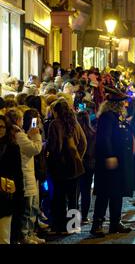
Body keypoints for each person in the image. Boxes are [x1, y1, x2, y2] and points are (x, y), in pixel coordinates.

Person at [90, 88, 134, 237]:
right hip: (109, 161)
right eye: (122, 103)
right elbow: (104, 138)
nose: (124, 105)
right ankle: (97, 224)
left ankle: (115, 222)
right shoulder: (107, 117)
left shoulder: (116, 117)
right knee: (104, 193)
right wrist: (109, 155)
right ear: (116, 104)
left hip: (119, 160)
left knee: (117, 193)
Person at [47, 100, 87, 233]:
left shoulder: (54, 124)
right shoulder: (74, 123)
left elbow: (54, 148)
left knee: (59, 197)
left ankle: (59, 226)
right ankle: (73, 226)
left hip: (60, 167)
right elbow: (83, 142)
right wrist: (78, 157)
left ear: (56, 111)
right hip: (75, 166)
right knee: (73, 198)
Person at [5, 108, 43, 244]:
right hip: (25, 175)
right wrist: (36, 135)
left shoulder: (19, 134)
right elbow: (35, 149)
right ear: (18, 120)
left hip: (29, 175)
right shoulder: (17, 135)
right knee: (27, 209)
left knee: (32, 208)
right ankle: (25, 235)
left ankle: (30, 233)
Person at [0, 116, 23, 244]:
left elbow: (17, 173)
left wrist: (19, 194)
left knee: (4, 235)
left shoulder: (12, 147)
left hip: (6, 195)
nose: (0, 130)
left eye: (2, 127)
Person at [76, 111, 96, 224]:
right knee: (86, 191)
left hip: (78, 164)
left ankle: (73, 218)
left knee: (76, 191)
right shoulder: (92, 133)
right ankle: (84, 216)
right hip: (89, 164)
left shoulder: (76, 133)